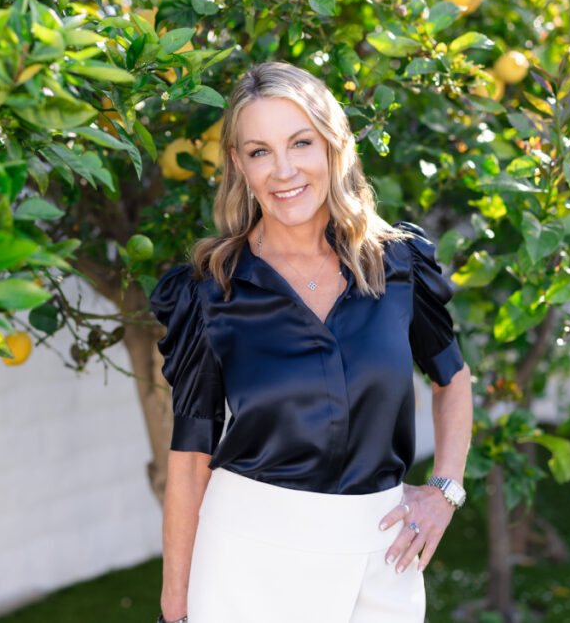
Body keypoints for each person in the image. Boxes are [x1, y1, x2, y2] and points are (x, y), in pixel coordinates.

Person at [148, 60, 473, 623]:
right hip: (248, 559)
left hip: (384, 557)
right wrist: (175, 608)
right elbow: (191, 457)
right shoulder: (211, 290)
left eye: (300, 143)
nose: (282, 170)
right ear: (238, 165)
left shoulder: (398, 265)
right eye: (259, 151)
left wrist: (445, 489)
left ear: (332, 146)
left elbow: (453, 379)